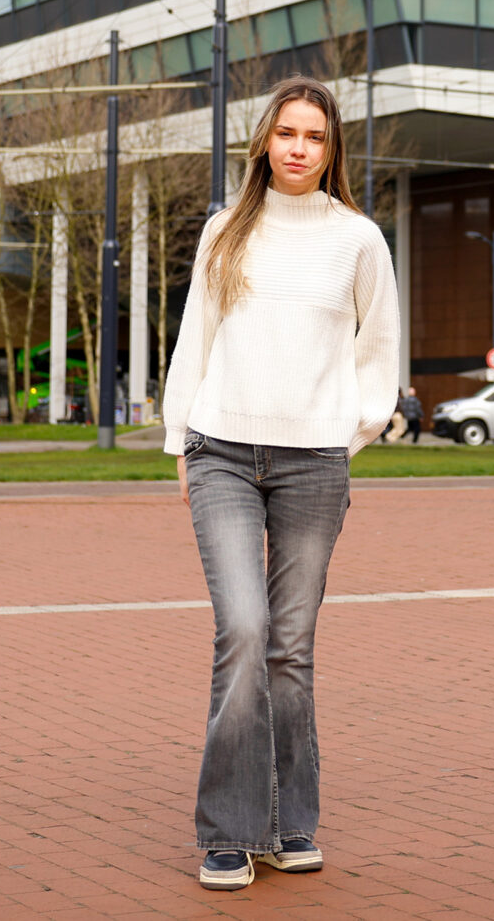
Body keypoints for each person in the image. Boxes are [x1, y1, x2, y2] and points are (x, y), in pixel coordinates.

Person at [160, 76, 399, 891]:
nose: (299, 147)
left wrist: (350, 428)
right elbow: (196, 338)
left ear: (332, 150)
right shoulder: (227, 230)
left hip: (313, 464)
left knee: (290, 651)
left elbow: (380, 353)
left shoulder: (359, 239)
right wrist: (178, 441)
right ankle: (228, 829)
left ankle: (290, 821)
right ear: (266, 140)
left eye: (316, 136)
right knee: (246, 628)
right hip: (222, 449)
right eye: (287, 132)